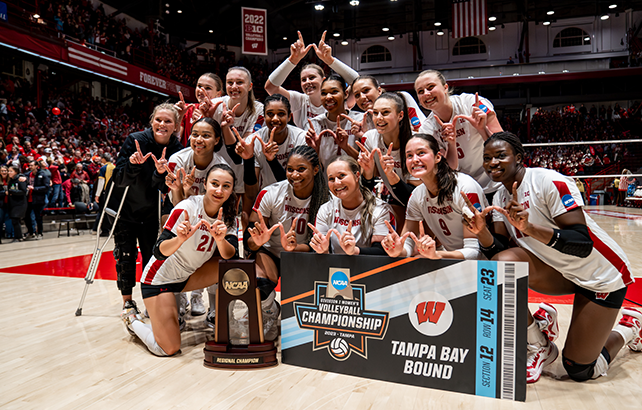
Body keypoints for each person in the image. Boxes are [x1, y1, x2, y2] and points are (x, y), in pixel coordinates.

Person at [462, 131, 640, 384]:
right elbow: (498, 251)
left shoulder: (548, 181)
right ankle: (539, 344)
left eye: (501, 156)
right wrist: (481, 233)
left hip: (601, 276)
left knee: (579, 370)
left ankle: (629, 328)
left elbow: (582, 243)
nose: (493, 163)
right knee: (503, 263)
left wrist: (531, 228)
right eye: (487, 157)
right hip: (563, 273)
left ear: (519, 158)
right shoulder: (501, 197)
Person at [122, 164, 239, 356]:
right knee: (169, 348)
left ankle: (223, 319)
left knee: (231, 268)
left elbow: (231, 255)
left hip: (187, 276)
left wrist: (220, 240)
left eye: (226, 186)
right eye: (215, 184)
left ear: (232, 189)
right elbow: (158, 251)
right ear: (205, 185)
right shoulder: (187, 208)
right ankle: (133, 320)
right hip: (160, 280)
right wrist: (179, 239)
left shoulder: (228, 216)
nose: (219, 190)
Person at [108, 103, 184, 321]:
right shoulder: (135, 140)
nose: (162, 124)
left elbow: (165, 189)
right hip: (127, 209)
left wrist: (161, 174)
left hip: (152, 212)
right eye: (158, 119)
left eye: (168, 121)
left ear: (176, 126)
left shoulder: (178, 150)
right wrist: (133, 165)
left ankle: (151, 301)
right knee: (126, 256)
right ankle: (127, 302)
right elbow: (119, 179)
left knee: (152, 258)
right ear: (152, 121)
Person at [246, 145, 328, 339]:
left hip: (305, 255)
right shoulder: (270, 193)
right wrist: (258, 242)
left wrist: (294, 248)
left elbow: (323, 245)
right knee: (259, 282)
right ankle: (269, 310)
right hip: (271, 253)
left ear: (315, 170)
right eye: (290, 169)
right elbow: (249, 242)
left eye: (301, 169)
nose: (294, 175)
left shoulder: (326, 199)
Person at [165, 117, 239, 322]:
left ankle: (202, 299)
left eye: (206, 135)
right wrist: (183, 191)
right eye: (195, 134)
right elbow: (176, 206)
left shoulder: (222, 166)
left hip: (213, 213)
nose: (199, 139)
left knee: (216, 251)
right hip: (184, 208)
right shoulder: (177, 160)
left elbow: (226, 203)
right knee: (176, 242)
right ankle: (176, 299)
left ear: (217, 140)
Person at [381, 133, 486, 260]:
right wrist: (397, 250)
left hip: (484, 265)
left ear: (437, 157)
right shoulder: (417, 195)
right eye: (409, 155)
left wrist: (437, 254)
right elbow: (408, 244)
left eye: (421, 153)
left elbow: (475, 252)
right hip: (449, 262)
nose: (414, 159)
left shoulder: (465, 187)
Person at [414, 70, 504, 202]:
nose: (426, 94)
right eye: (420, 91)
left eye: (430, 87)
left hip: (496, 182)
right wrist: (451, 143)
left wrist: (482, 129)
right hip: (464, 191)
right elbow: (448, 169)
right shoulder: (427, 130)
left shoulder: (471, 103)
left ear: (445, 88)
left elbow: (504, 146)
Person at [265, 31, 359, 129]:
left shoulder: (337, 98)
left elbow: (357, 82)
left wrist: (329, 60)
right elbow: (270, 87)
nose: (307, 82)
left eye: (312, 77)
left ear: (323, 80)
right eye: (303, 80)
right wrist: (292, 60)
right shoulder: (299, 100)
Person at [355, 92, 418, 231]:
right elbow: (365, 189)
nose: (379, 118)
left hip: (424, 203)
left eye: (385, 112)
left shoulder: (416, 142)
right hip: (396, 197)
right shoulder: (369, 138)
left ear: (400, 115)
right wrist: (368, 171)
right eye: (375, 113)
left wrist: (391, 176)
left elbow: (415, 198)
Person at [310, 156, 392, 255]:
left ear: (357, 176)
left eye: (342, 176)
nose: (337, 183)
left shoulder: (380, 209)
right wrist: (323, 250)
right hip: (335, 269)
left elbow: (382, 251)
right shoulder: (325, 210)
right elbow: (320, 253)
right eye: (331, 179)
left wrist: (354, 251)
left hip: (370, 269)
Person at [305, 74, 364, 170]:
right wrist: (314, 150)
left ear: (346, 94)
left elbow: (369, 164)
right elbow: (311, 168)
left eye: (334, 92)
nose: (328, 97)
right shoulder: (314, 124)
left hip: (356, 181)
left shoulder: (360, 120)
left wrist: (346, 147)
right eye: (323, 93)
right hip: (326, 182)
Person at [350, 75, 425, 136]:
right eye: (357, 95)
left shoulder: (402, 99)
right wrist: (365, 136)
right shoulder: (365, 122)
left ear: (379, 90)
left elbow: (423, 132)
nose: (362, 97)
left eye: (366, 90)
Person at [175, 73, 224, 147]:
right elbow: (175, 141)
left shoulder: (222, 113)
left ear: (218, 94)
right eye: (199, 86)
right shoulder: (187, 109)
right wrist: (177, 117)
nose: (201, 90)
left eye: (208, 88)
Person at [6, 165, 27, 242]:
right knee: (14, 220)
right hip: (13, 203)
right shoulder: (11, 181)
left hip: (20, 203)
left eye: (11, 171)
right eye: (8, 171)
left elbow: (23, 191)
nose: (9, 173)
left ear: (16, 172)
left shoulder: (20, 179)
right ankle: (18, 236)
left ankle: (19, 237)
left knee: (15, 219)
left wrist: (12, 192)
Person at [0, 165, 15, 240]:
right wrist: (4, 193)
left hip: (10, 203)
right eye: (2, 171)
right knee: (0, 219)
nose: (4, 172)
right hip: (1, 204)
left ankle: (10, 234)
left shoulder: (11, 180)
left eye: (5, 171)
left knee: (9, 219)